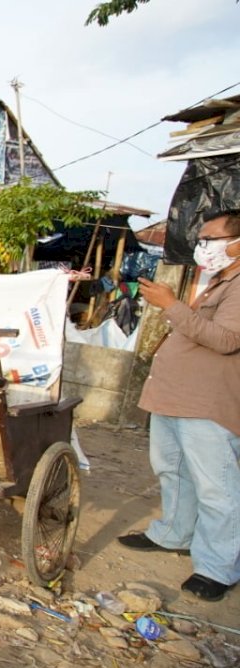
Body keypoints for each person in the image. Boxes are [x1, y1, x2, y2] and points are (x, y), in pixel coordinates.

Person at [117, 208, 240, 602]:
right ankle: (174, 533)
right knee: (171, 469)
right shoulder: (219, 281)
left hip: (207, 403)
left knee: (216, 488)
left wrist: (171, 304)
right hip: (175, 396)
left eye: (211, 239)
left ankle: (218, 567)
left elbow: (225, 340)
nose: (202, 246)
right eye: (201, 239)